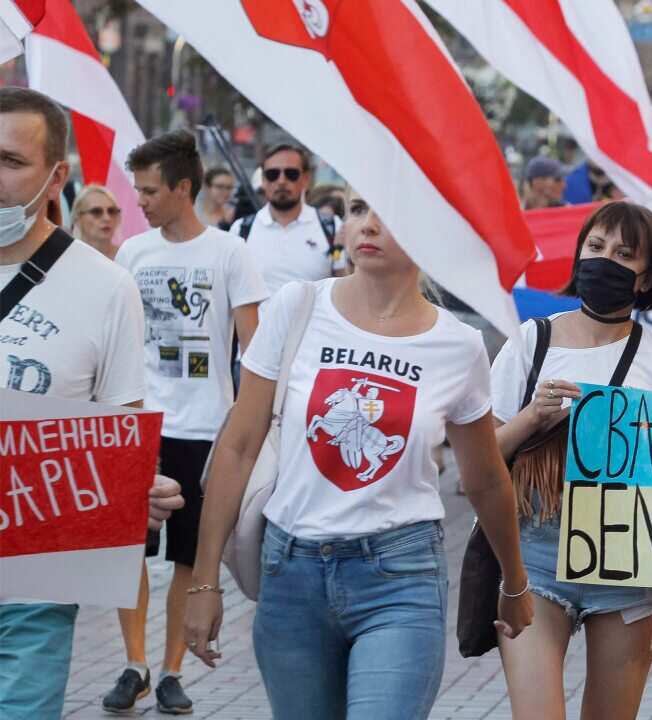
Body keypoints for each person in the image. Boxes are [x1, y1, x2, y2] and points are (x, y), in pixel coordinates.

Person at [183, 187, 533, 718]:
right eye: (356, 210)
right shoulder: (296, 307)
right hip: (290, 575)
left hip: (400, 577)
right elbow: (237, 446)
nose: (368, 225)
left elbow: (484, 479)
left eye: (388, 212)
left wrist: (514, 580)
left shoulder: (458, 345)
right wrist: (204, 581)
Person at [0, 86, 183, 719]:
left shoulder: (108, 289)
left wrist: (135, 488)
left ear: (58, 176)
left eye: (9, 161)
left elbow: (117, 432)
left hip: (34, 571)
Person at [492, 201, 652, 719]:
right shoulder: (530, 343)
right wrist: (533, 417)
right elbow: (483, 458)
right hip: (534, 556)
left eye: (624, 254)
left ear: (647, 279)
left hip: (629, 564)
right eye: (596, 247)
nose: (605, 260)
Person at [109, 130, 269, 715]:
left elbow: (255, 348)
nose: (141, 201)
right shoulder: (133, 253)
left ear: (183, 188)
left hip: (204, 429)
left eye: (150, 191)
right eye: (138, 190)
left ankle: (173, 670)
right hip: (140, 421)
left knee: (185, 556)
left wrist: (251, 423)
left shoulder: (230, 253)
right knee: (127, 550)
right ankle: (134, 665)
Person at [228, 144, 348, 297]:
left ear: (305, 179)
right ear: (263, 180)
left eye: (291, 174)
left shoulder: (332, 226)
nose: (281, 181)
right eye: (273, 174)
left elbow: (344, 285)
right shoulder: (241, 230)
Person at [69, 183, 122, 259]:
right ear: (77, 218)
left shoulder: (126, 257)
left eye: (111, 211)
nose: (107, 218)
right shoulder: (67, 258)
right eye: (96, 211)